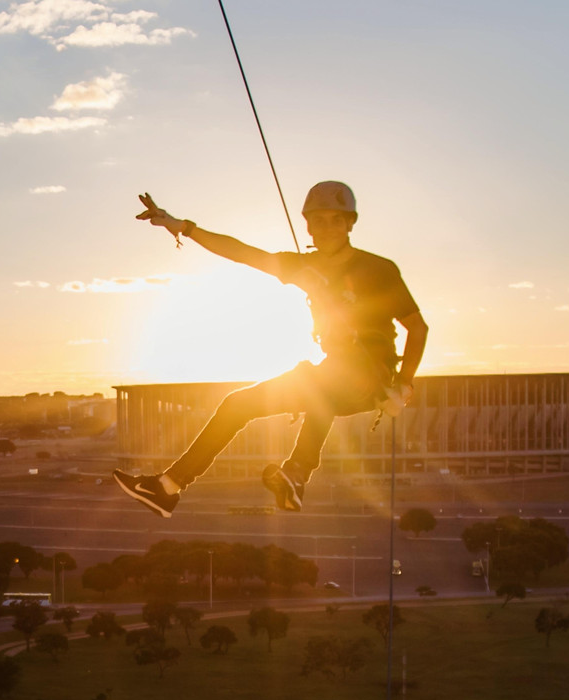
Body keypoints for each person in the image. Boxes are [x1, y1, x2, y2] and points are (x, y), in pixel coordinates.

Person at [113, 181, 428, 517]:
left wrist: (404, 382)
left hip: (369, 377)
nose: (327, 227)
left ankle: (297, 473)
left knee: (323, 385)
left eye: (336, 220)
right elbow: (243, 253)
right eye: (318, 220)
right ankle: (167, 488)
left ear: (351, 223)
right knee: (238, 404)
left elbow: (417, 327)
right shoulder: (304, 267)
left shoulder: (379, 270)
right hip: (333, 375)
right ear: (307, 224)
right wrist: (183, 227)